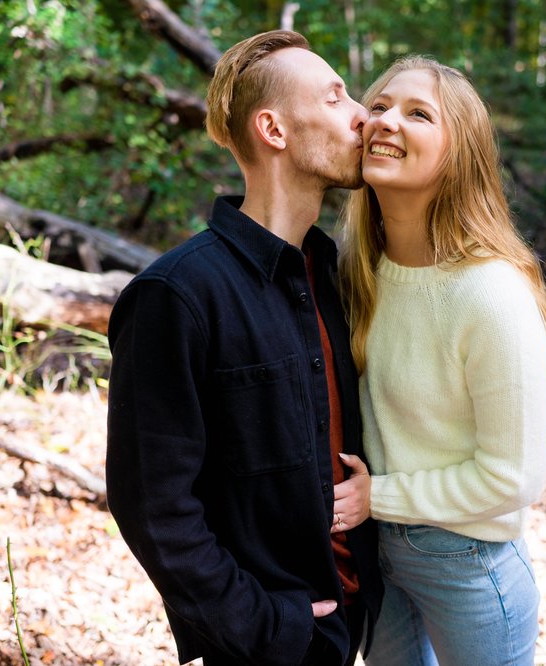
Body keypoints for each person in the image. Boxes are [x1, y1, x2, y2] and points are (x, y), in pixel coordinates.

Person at [106, 30, 382, 666]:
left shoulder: (335, 276)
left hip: (353, 626)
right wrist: (262, 626)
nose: (363, 115)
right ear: (274, 130)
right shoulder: (176, 295)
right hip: (270, 642)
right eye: (336, 97)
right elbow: (153, 506)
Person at [332, 56, 546, 666]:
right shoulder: (356, 270)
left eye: (418, 113)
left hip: (467, 564)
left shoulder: (490, 294)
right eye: (379, 106)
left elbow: (514, 478)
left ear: (459, 153)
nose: (386, 121)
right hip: (372, 550)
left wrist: (375, 498)